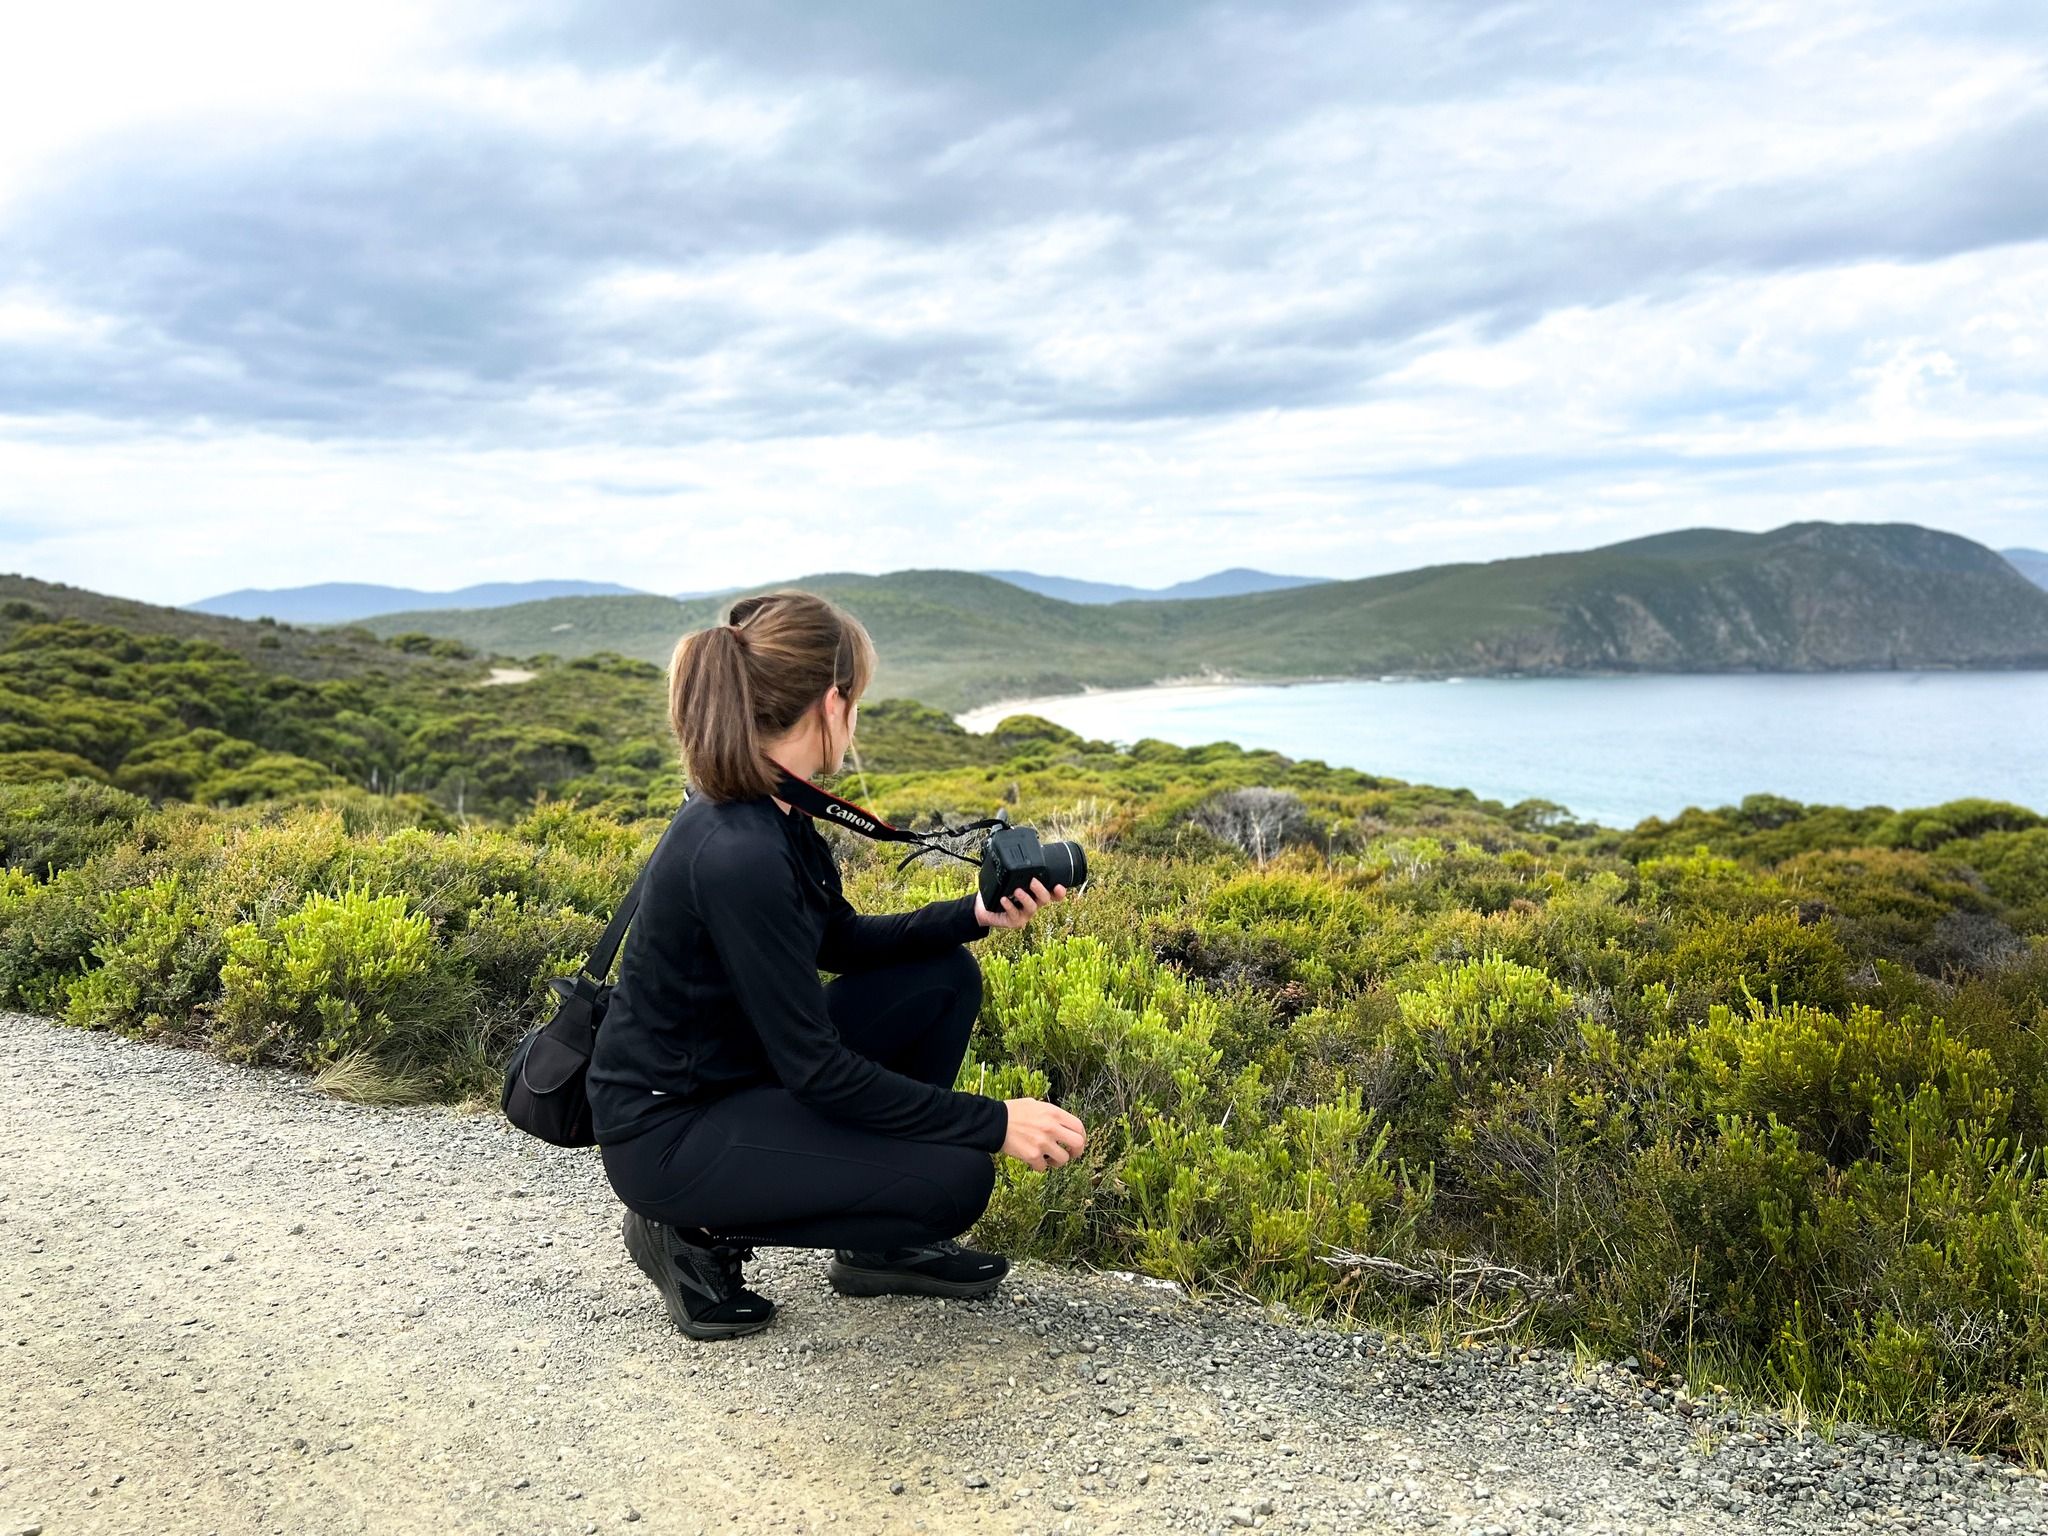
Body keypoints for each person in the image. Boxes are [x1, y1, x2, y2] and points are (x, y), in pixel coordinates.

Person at [588, 589, 1089, 1341]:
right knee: (952, 1180)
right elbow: (817, 1071)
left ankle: (877, 1248)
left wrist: (974, 915)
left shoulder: (773, 811)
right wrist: (992, 1123)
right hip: (670, 1131)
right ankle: (687, 1232)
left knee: (941, 976)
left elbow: (840, 943)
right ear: (831, 703)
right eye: (858, 698)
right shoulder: (739, 847)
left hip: (736, 1075)